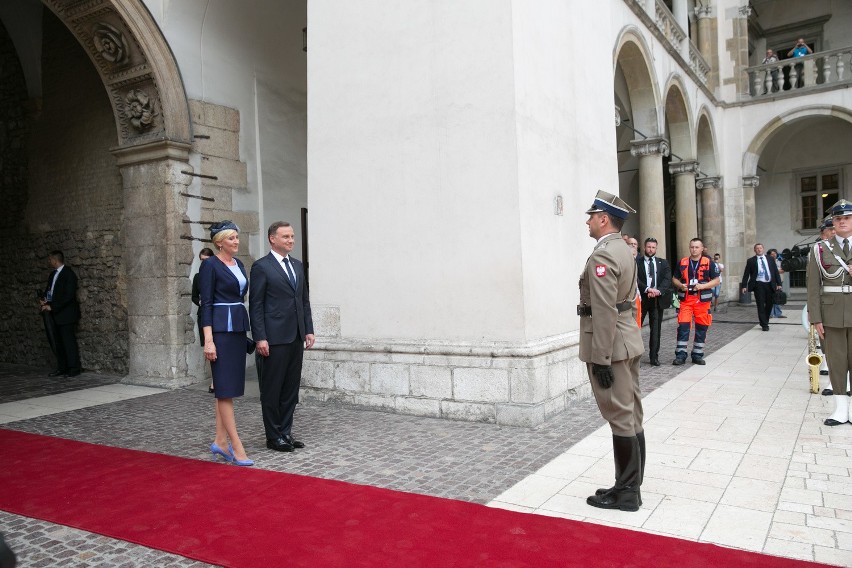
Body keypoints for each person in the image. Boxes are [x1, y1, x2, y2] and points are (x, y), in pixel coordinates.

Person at [578, 190, 645, 512]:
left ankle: (627, 492)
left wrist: (600, 358)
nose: (588, 221)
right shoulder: (622, 248)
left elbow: (603, 309)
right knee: (631, 412)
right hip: (626, 339)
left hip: (611, 346)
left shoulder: (603, 255)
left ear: (604, 219)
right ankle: (629, 485)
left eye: (592, 216)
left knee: (620, 416)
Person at [250, 221, 315, 453]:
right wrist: (260, 337)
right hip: (273, 338)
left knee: (290, 389)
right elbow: (256, 305)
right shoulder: (262, 267)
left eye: (292, 236)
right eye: (286, 236)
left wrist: (308, 329)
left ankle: (286, 432)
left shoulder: (297, 266)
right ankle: (273, 436)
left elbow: (303, 300)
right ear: (272, 239)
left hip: (296, 336)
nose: (291, 240)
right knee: (272, 389)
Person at [199, 221, 254, 466]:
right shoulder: (210, 265)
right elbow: (206, 304)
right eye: (231, 238)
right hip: (220, 331)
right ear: (219, 242)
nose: (236, 241)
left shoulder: (239, 264)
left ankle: (220, 442)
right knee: (224, 388)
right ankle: (236, 445)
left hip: (238, 329)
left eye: (237, 237)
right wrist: (208, 341)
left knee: (228, 388)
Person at [672, 238, 720, 365]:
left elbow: (716, 280)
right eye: (692, 247)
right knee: (683, 327)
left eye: (697, 247)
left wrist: (703, 286)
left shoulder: (709, 263)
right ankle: (681, 354)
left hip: (702, 301)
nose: (694, 249)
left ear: (702, 248)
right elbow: (675, 279)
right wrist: (680, 285)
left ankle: (697, 354)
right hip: (686, 300)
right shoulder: (682, 262)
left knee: (702, 327)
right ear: (689, 248)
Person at [39, 251, 81, 378]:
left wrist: (52, 306)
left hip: (66, 315)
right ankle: (62, 367)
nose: (49, 262)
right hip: (55, 315)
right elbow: (50, 290)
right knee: (58, 343)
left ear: (55, 260)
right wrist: (45, 299)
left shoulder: (69, 274)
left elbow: (68, 296)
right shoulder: (52, 275)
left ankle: (73, 368)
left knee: (68, 342)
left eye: (50, 260)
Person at [637, 237, 672, 366]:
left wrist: (658, 291)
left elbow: (667, 279)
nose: (651, 249)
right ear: (644, 247)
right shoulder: (637, 262)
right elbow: (635, 279)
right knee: (636, 328)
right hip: (642, 299)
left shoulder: (663, 263)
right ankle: (635, 357)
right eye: (648, 247)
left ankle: (654, 357)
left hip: (657, 300)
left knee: (656, 330)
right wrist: (647, 289)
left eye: (653, 247)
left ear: (656, 248)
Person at [740, 243, 782, 331]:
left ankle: (765, 320)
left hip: (770, 284)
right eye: (757, 248)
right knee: (760, 304)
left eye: (760, 248)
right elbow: (746, 274)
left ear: (763, 249)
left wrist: (779, 283)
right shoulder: (751, 261)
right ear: (755, 250)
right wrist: (744, 285)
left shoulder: (770, 259)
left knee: (770, 304)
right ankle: (764, 324)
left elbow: (775, 271)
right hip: (758, 285)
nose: (759, 250)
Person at [192, 247, 216, 392]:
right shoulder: (197, 277)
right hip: (203, 315)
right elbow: (194, 296)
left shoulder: (217, 273)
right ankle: (214, 380)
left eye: (206, 260)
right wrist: (200, 302)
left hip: (217, 315)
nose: (203, 263)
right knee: (208, 349)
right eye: (201, 261)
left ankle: (216, 380)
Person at [767, 248, 786, 318]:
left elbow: (783, 270)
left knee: (778, 297)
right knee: (771, 297)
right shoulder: (768, 262)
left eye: (775, 253)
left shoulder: (779, 261)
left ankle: (778, 313)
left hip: (780, 281)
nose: (774, 255)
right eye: (772, 254)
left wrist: (776, 271)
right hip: (771, 282)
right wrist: (777, 271)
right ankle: (770, 313)